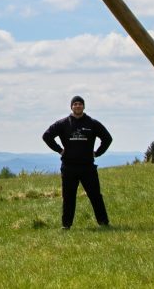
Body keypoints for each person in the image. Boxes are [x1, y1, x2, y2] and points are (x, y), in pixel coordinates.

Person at [42, 95, 112, 229]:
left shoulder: (92, 123)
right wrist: (59, 150)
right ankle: (66, 225)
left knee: (95, 195)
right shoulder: (63, 123)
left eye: (80, 104)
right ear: (71, 107)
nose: (77, 106)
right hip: (69, 167)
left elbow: (107, 138)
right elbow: (47, 136)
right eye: (75, 104)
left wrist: (97, 153)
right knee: (68, 197)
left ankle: (104, 222)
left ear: (84, 106)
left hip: (88, 167)